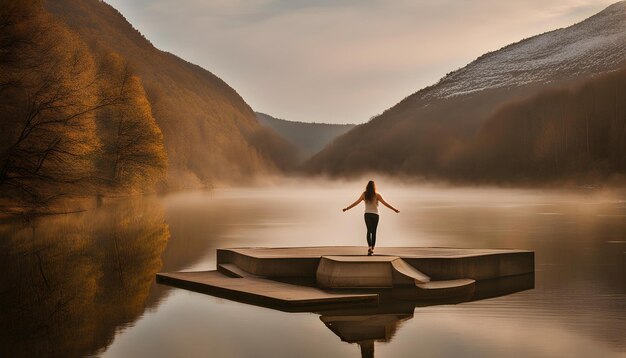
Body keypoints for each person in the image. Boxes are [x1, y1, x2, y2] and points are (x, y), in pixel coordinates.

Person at [342, 180, 399, 256]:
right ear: (374, 187)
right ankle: (372, 248)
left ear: (367, 187)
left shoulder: (364, 194)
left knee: (369, 231)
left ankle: (369, 247)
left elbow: (356, 202)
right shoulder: (377, 195)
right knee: (374, 232)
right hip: (375, 215)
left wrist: (347, 208)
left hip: (367, 214)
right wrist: (394, 209)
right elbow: (385, 203)